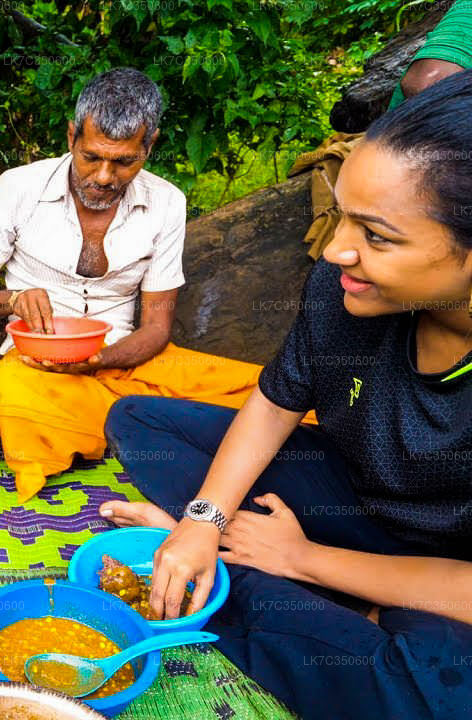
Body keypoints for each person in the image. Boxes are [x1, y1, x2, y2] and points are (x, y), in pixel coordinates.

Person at [100, 71, 472, 720]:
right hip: (349, 498)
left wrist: (303, 558)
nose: (335, 250)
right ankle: (251, 576)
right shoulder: (343, 287)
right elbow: (274, 403)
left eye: (376, 235)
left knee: (438, 696)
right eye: (342, 216)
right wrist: (202, 522)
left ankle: (238, 584)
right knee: (141, 421)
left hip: (444, 568)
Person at [0, 68, 265, 502]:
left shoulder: (167, 202)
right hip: (38, 368)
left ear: (149, 147)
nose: (103, 176)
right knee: (11, 400)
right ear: (70, 137)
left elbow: (156, 329)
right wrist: (14, 298)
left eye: (123, 162)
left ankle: (121, 425)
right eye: (91, 157)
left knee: (263, 392)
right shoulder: (18, 188)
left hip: (125, 357)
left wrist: (99, 361)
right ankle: (155, 428)